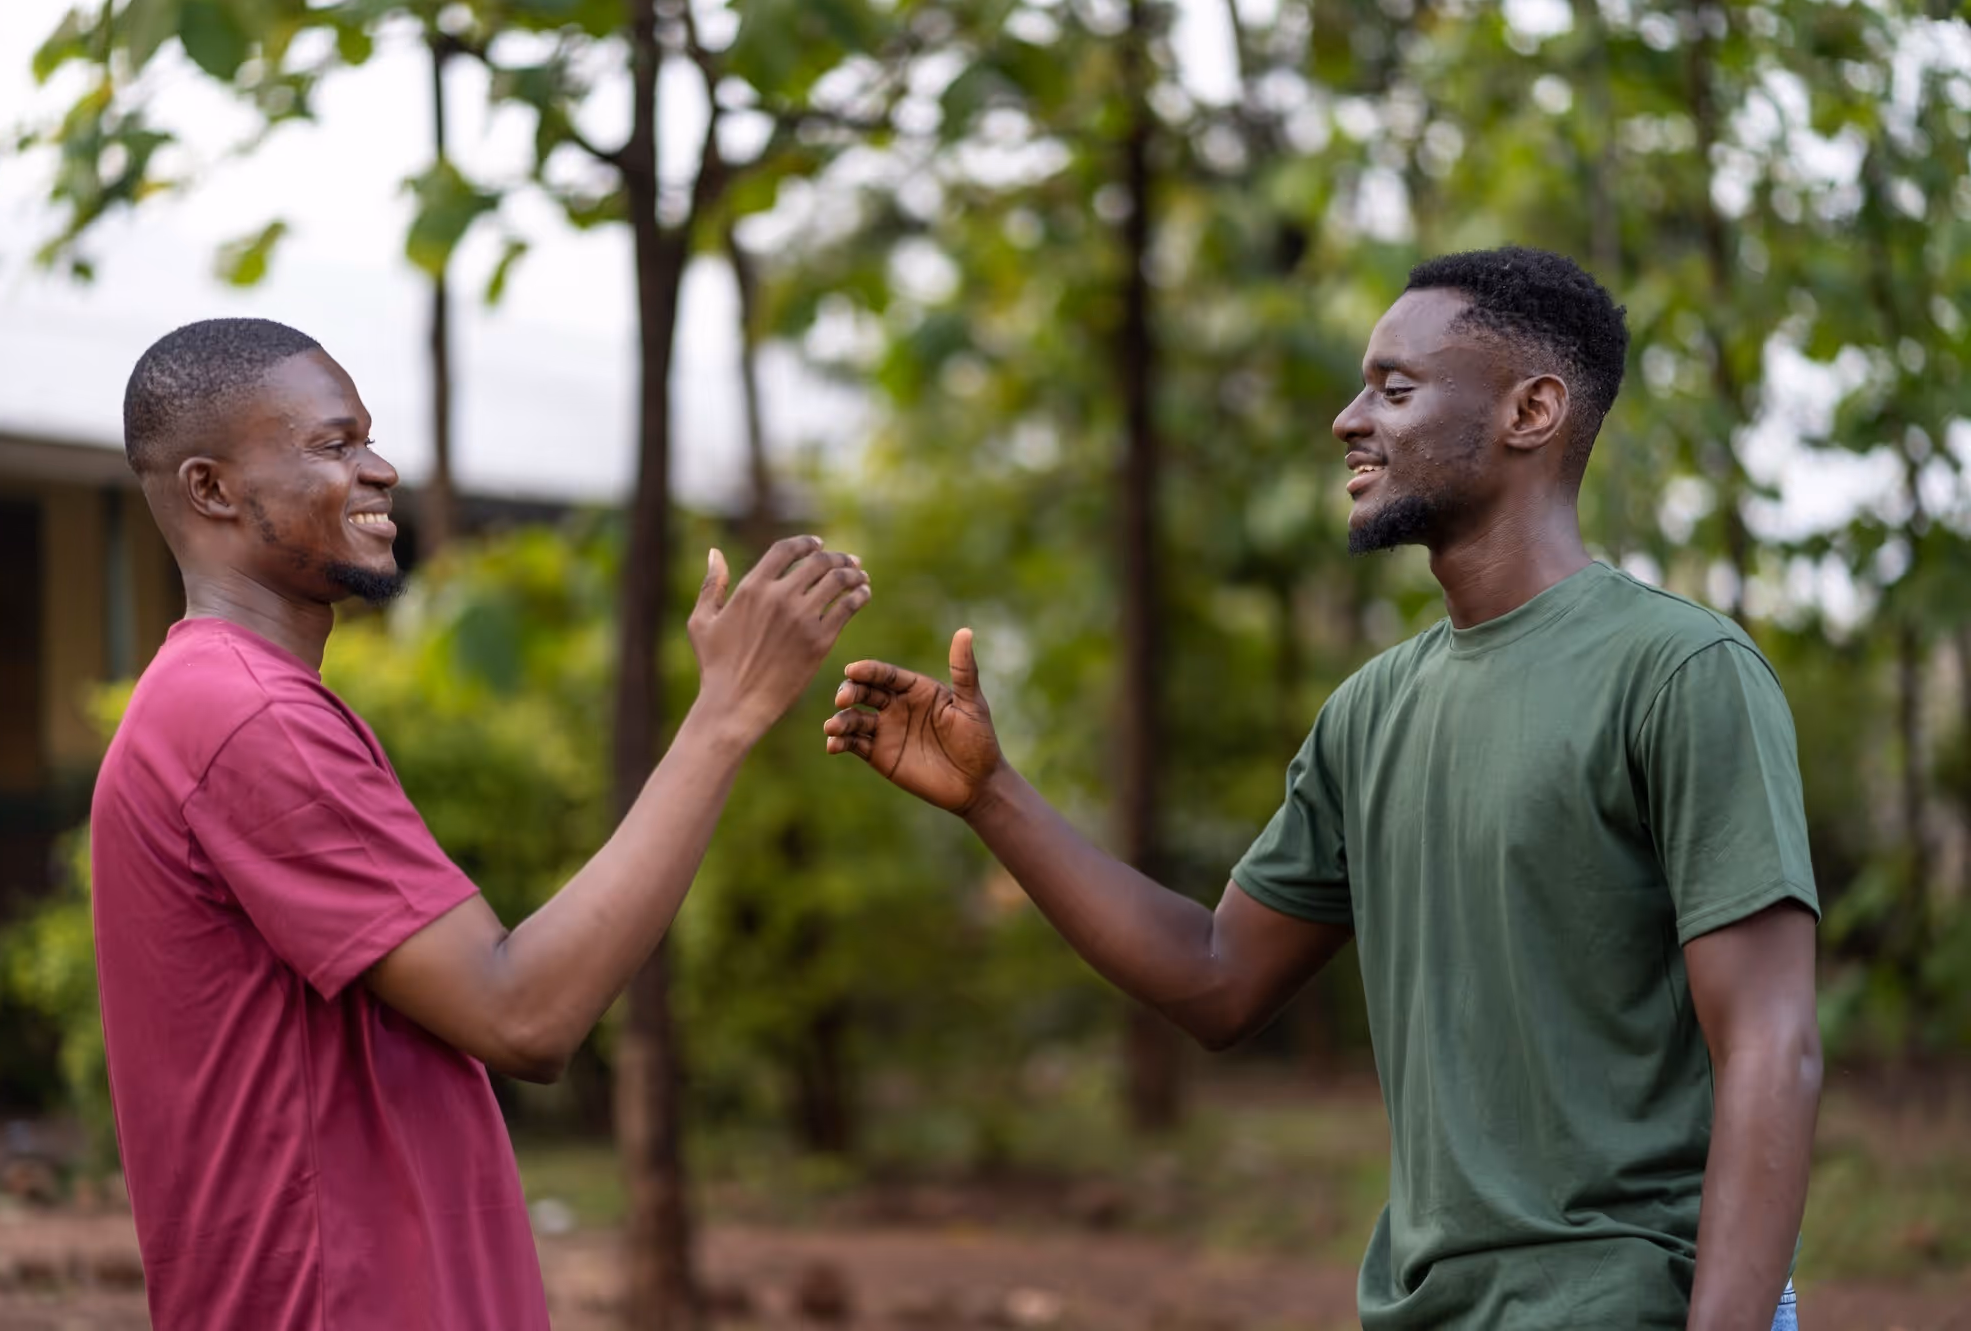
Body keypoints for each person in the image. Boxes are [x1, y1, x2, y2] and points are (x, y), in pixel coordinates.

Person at [823, 248, 1819, 1331]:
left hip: (1628, 1304)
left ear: (1530, 410)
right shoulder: (1369, 712)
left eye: (1394, 389)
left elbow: (1769, 1043)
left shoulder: (1678, 673)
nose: (1350, 419)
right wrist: (993, 797)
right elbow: (1216, 979)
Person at [91, 317, 871, 1330]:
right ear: (211, 488)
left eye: (367, 438)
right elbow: (522, 1012)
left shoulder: (226, 698)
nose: (379, 469)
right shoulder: (247, 715)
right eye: (334, 445)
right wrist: (726, 713)